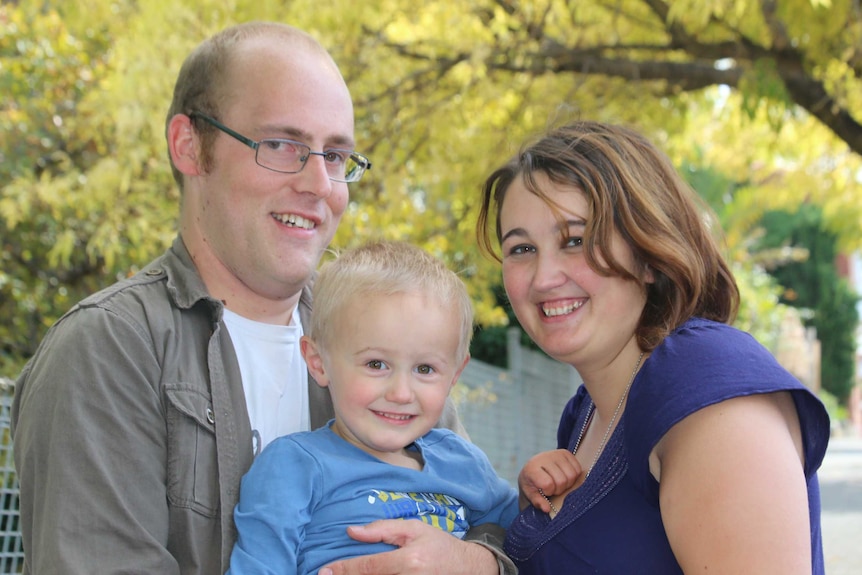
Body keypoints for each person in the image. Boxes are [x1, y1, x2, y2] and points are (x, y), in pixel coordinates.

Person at [11, 22, 514, 575]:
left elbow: (491, 518)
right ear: (189, 146)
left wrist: (477, 561)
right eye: (281, 145)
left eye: (336, 156)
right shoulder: (111, 349)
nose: (321, 184)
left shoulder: (383, 328)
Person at [476, 120, 831, 574]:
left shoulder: (704, 381)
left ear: (648, 254)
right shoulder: (584, 415)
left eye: (576, 240)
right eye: (522, 249)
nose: (544, 278)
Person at [226, 241, 520, 574]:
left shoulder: (463, 463)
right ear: (318, 362)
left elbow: (529, 538)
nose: (400, 392)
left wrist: (541, 483)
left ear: (455, 375)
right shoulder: (294, 467)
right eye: (376, 364)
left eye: (425, 369)